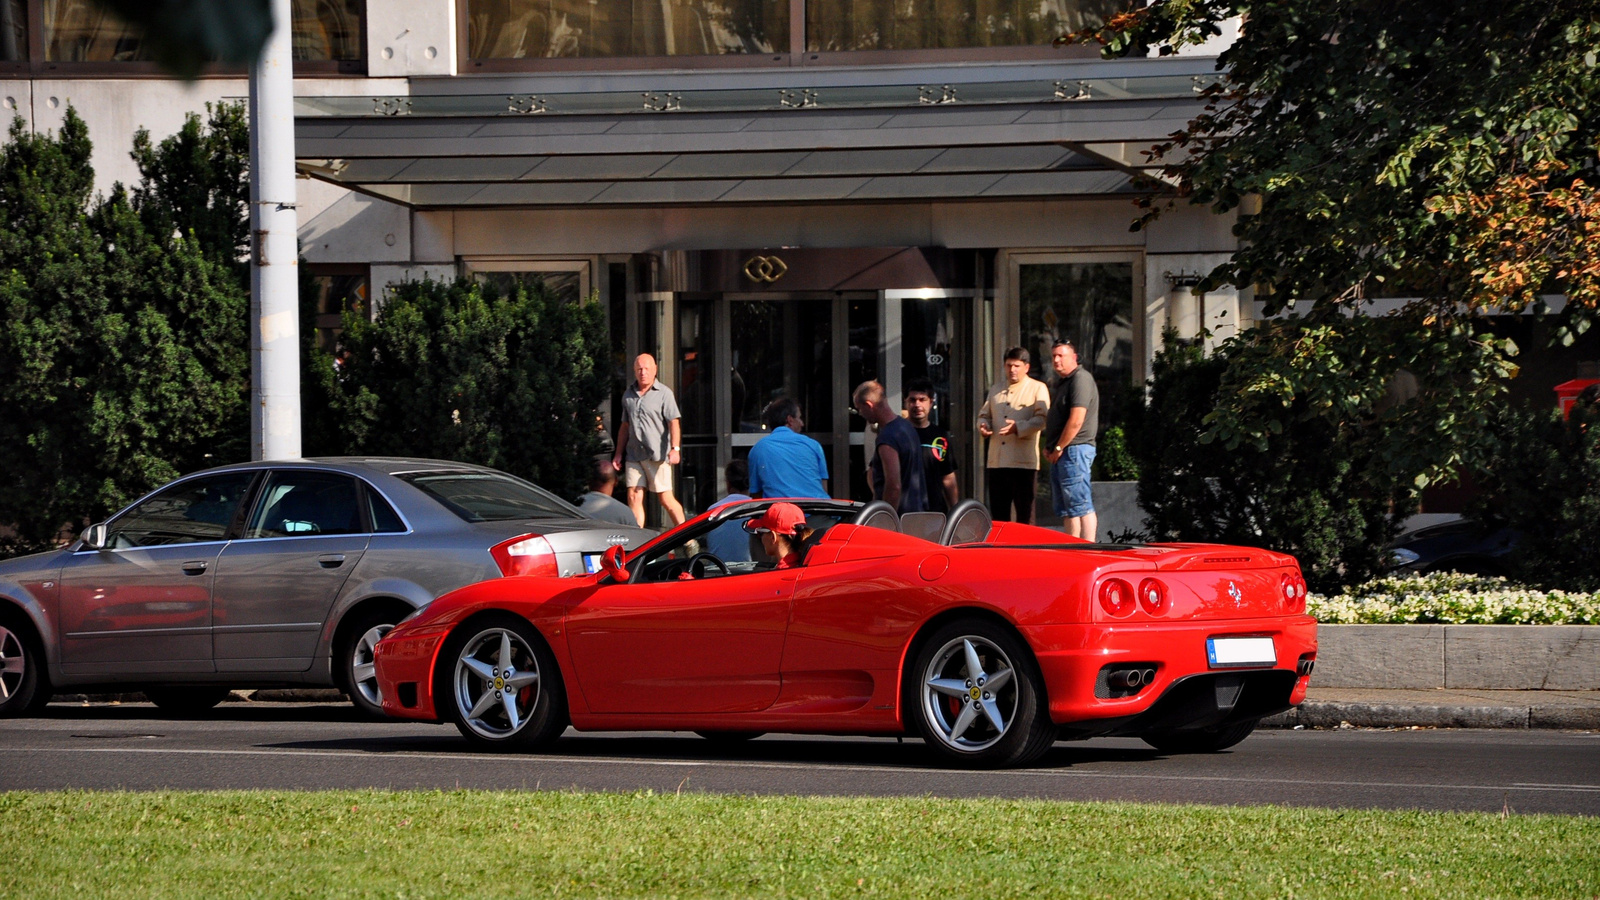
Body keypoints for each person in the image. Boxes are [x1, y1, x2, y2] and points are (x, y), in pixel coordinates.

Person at [611, 353, 688, 528]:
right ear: (634, 371)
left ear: (655, 370)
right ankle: (640, 544)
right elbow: (625, 426)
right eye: (639, 369)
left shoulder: (664, 393)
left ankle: (688, 539)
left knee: (666, 499)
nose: (643, 372)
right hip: (634, 454)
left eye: (646, 369)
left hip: (657, 455)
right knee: (633, 495)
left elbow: (674, 422)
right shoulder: (628, 395)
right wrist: (618, 454)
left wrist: (675, 448)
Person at [977, 347, 1050, 523]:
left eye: (1016, 365)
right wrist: (983, 425)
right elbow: (984, 414)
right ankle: (1001, 549)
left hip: (1023, 463)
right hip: (997, 462)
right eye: (1009, 365)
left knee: (1025, 514)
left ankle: (1027, 549)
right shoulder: (996, 389)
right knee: (999, 515)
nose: (1012, 370)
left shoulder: (1037, 388)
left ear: (1026, 367)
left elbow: (1042, 419)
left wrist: (1019, 428)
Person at [1044, 339, 1100, 541]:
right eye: (1054, 356)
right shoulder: (1065, 382)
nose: (1056, 360)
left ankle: (1087, 549)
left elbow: (1076, 420)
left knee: (1080, 504)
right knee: (1068, 508)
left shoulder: (1080, 379)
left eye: (1061, 355)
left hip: (1074, 450)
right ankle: (1073, 548)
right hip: (1063, 452)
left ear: (1074, 357)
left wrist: (1059, 446)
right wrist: (1051, 446)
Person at [852, 380, 927, 513]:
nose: (860, 414)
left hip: (898, 517)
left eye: (860, 409)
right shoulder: (906, 427)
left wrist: (886, 518)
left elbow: (894, 486)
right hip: (916, 513)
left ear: (869, 405)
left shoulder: (887, 438)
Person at [747, 396, 830, 499]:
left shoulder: (758, 449)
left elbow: (755, 494)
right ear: (790, 420)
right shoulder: (813, 445)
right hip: (817, 512)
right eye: (799, 418)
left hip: (780, 513)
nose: (802, 424)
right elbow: (823, 489)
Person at [904, 378, 959, 513]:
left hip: (935, 510)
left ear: (931, 402)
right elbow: (874, 471)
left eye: (922, 400)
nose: (917, 405)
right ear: (905, 402)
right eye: (912, 400)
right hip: (904, 510)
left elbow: (948, 477)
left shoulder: (940, 436)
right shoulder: (897, 433)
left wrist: (956, 511)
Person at [705, 459, 754, 563]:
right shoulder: (757, 509)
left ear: (728, 484)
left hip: (716, 573)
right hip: (750, 573)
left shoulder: (713, 511)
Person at [742, 501, 814, 569]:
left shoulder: (782, 572)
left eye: (761, 533)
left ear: (773, 537)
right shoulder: (806, 565)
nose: (761, 538)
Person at [577, 455, 639, 526]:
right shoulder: (625, 512)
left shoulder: (573, 505)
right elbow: (636, 535)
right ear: (616, 481)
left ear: (589, 479)